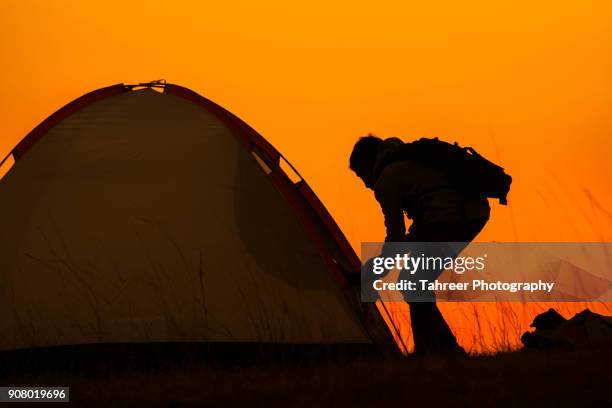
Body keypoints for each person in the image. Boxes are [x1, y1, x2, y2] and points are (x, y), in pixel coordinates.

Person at [349, 134, 490, 355]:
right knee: (415, 280)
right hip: (469, 212)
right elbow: (408, 237)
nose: (366, 184)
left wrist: (374, 274)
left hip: (453, 216)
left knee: (412, 281)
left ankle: (432, 348)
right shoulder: (404, 163)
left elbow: (395, 236)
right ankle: (444, 348)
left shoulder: (387, 179)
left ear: (368, 162)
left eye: (361, 175)